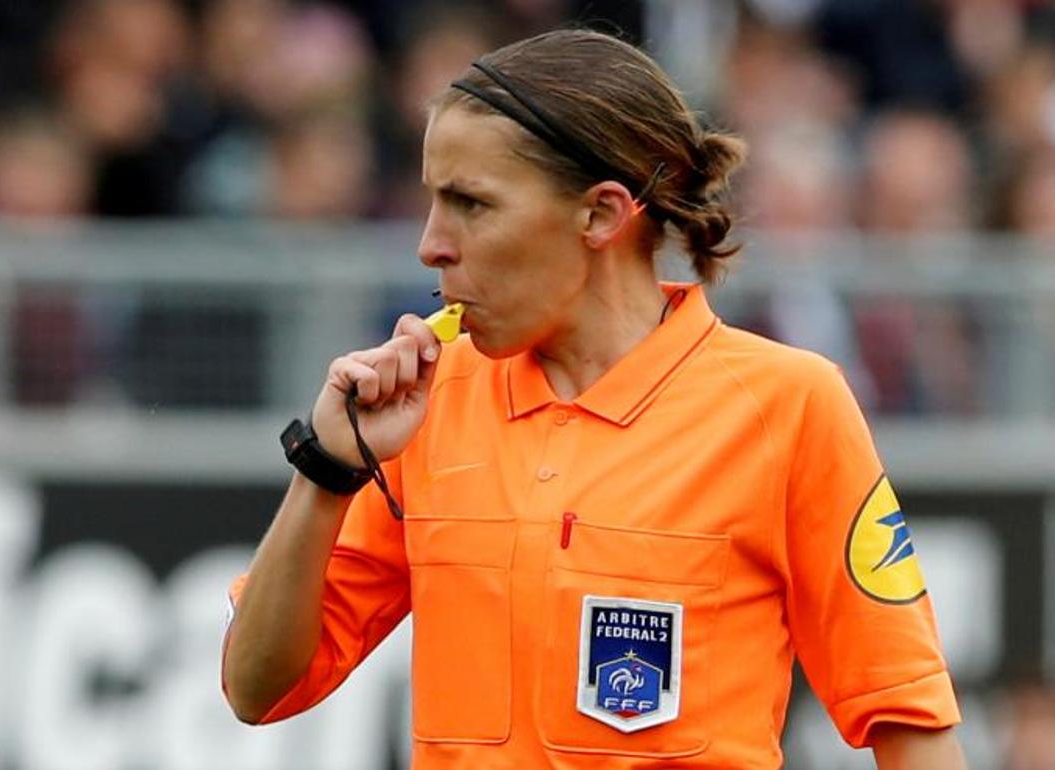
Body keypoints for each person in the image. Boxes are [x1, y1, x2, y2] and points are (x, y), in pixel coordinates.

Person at [222, 29, 966, 769]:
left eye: (471, 204)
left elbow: (909, 719)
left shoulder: (789, 405)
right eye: (432, 201)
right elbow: (255, 689)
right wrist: (326, 470)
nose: (430, 243)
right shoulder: (426, 402)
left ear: (603, 214)